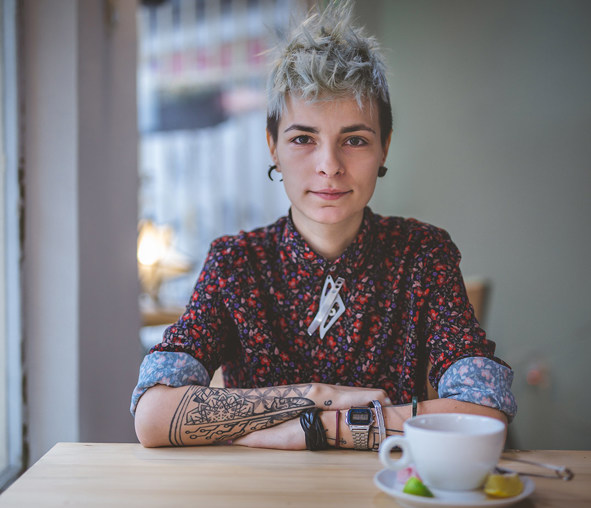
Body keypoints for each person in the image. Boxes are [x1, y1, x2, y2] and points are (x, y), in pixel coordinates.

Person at [132, 0, 517, 451]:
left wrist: (318, 429)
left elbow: (484, 409)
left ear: (385, 148)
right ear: (272, 146)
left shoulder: (422, 253)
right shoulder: (235, 262)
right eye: (303, 139)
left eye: (354, 140)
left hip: (392, 486)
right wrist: (315, 396)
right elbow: (154, 417)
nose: (329, 166)